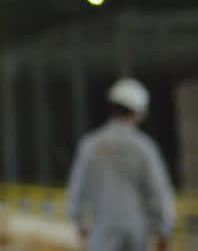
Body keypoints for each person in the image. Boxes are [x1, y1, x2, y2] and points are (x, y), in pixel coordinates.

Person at [67, 78, 175, 251]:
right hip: (137, 233)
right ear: (138, 112)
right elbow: (158, 192)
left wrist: (79, 222)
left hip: (102, 232)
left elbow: (77, 189)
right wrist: (164, 230)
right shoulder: (144, 147)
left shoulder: (90, 146)